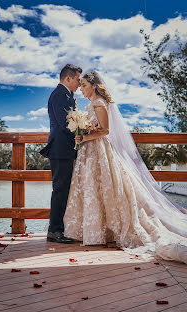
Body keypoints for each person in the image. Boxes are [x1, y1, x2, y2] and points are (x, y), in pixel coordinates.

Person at [64, 71, 187, 263]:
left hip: (99, 150)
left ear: (94, 86)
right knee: (90, 188)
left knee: (103, 186)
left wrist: (85, 136)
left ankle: (106, 230)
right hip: (88, 152)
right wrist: (81, 131)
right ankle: (93, 229)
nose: (82, 89)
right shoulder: (89, 105)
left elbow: (105, 131)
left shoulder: (99, 104)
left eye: (85, 85)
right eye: (80, 86)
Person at [40, 64, 82, 244]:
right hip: (60, 149)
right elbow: (65, 125)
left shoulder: (66, 95)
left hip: (65, 150)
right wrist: (84, 131)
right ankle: (54, 230)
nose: (80, 84)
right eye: (78, 80)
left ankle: (58, 228)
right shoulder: (60, 96)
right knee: (60, 190)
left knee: (63, 190)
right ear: (68, 78)